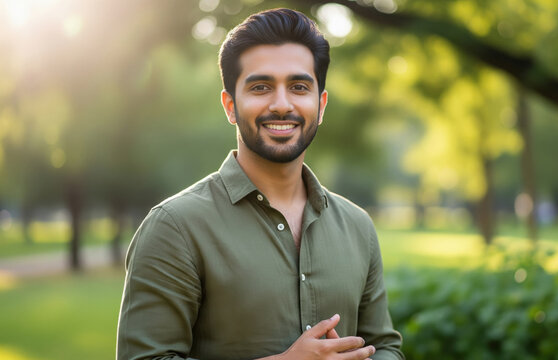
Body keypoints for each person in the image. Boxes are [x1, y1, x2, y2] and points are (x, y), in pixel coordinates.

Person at [116, 8, 403, 360]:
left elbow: (386, 347)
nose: (281, 105)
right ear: (230, 105)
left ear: (321, 104)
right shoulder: (174, 228)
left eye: (299, 87)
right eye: (260, 87)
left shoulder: (358, 227)